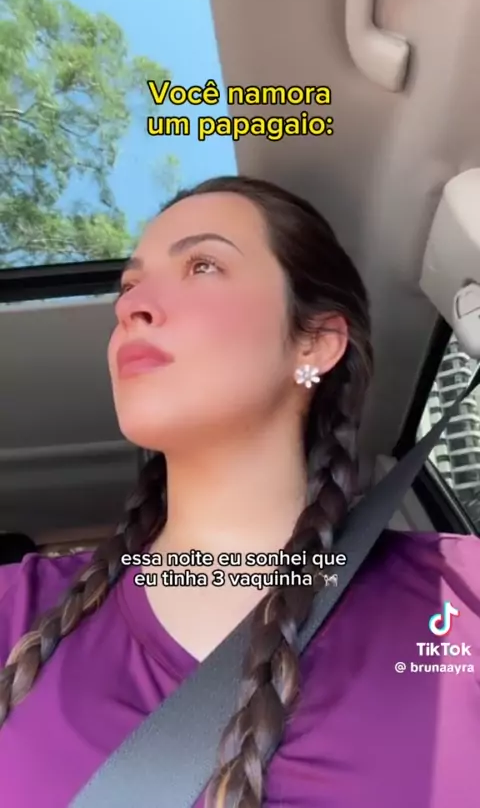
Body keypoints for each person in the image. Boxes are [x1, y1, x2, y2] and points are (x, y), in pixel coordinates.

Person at [0, 176, 478, 808]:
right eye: (129, 285)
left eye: (203, 265)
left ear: (315, 343)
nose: (130, 306)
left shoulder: (461, 596)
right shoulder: (14, 608)